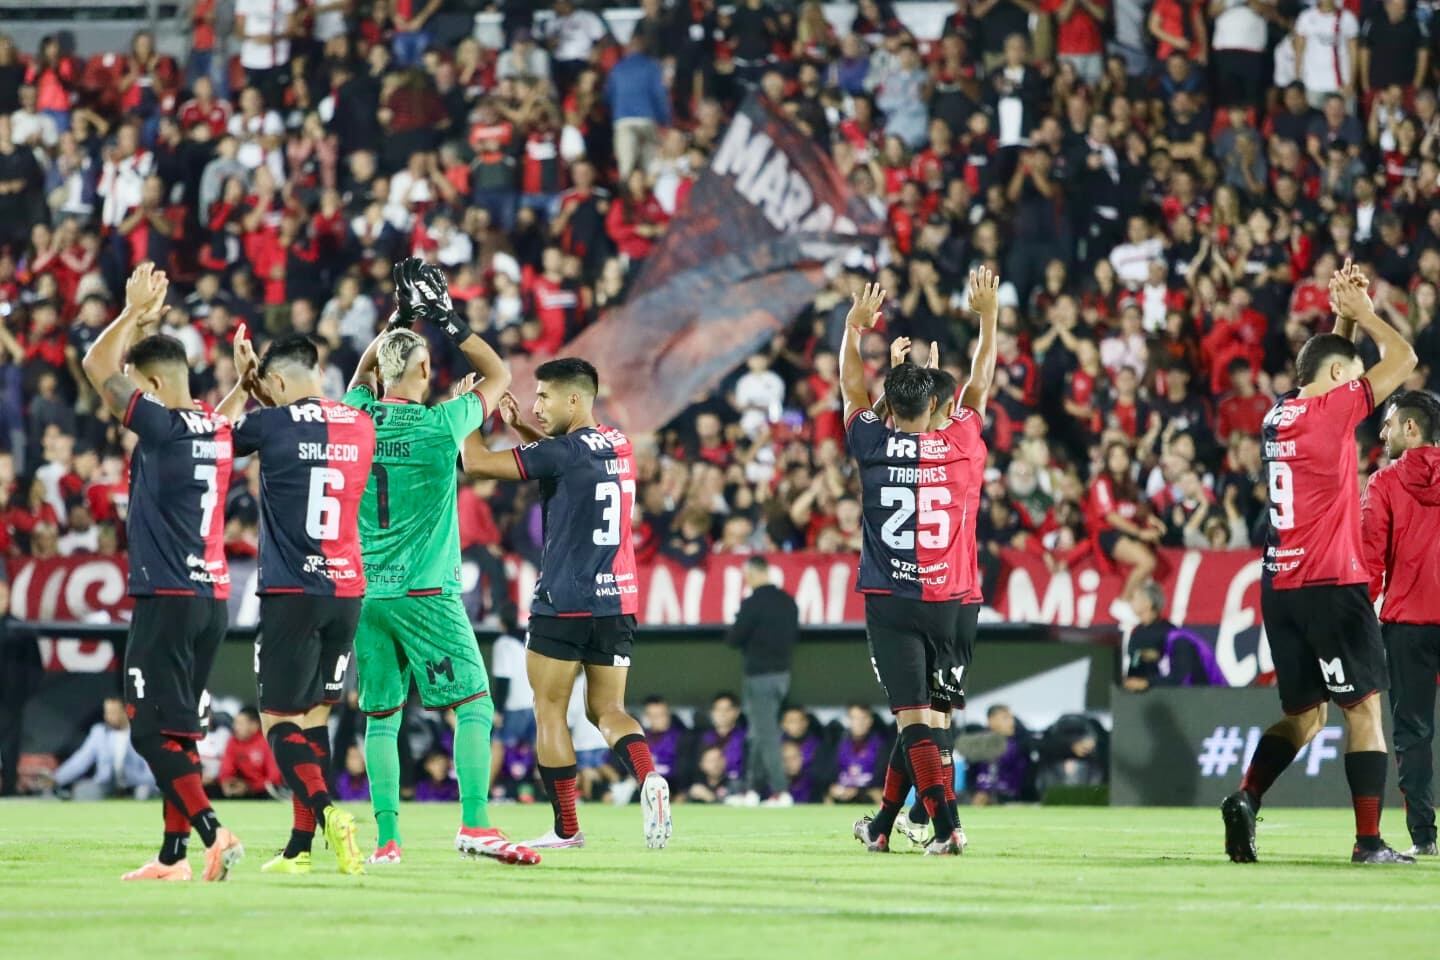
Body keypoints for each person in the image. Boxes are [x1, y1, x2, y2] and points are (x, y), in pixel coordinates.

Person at [338, 259, 537, 868]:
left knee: (381, 718)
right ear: (425, 370)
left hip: (367, 595)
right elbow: (499, 373)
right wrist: (446, 319)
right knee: (474, 703)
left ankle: (387, 842)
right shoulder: (442, 424)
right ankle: (474, 823)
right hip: (425, 592)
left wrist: (398, 321)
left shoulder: (357, 415)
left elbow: (362, 372)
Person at [1222, 261, 1417, 865]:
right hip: (1331, 582)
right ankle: (1368, 841)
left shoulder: (1279, 412)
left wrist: (1341, 320)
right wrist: (1365, 314)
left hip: (1280, 586)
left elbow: (1328, 365)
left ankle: (1247, 796)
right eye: (1353, 378)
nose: (1360, 391)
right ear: (1338, 380)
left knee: (1305, 718)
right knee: (1365, 710)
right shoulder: (1334, 410)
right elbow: (1405, 359)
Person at [81, 262, 248, 883]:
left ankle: (212, 831)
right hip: (212, 601)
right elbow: (222, 415)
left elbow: (95, 366)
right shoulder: (216, 428)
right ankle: (173, 858)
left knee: (149, 732)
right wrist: (243, 385)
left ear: (151, 385)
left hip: (168, 596)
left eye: (136, 386)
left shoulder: (161, 425)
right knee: (180, 732)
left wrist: (130, 313)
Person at [461, 358, 670, 850]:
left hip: (564, 601)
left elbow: (476, 463)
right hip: (617, 599)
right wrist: (522, 428)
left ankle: (567, 828)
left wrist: (471, 411)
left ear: (573, 399)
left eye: (544, 397)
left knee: (550, 711)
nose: (536, 405)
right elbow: (565, 456)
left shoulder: (561, 453)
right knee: (609, 710)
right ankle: (649, 777)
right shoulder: (618, 443)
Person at [844, 268, 998, 857]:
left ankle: (948, 826)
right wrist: (988, 317)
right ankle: (883, 826)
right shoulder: (963, 442)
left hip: (893, 601)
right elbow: (978, 384)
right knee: (932, 723)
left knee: (914, 722)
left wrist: (855, 330)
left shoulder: (871, 443)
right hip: (956, 600)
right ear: (937, 403)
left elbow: (851, 390)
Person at [230, 333, 376, 877]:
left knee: (276, 720)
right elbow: (310, 422)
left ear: (276, 381)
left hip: (292, 592)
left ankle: (328, 812)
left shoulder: (269, 423)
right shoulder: (360, 423)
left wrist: (243, 386)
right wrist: (266, 389)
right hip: (347, 592)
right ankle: (300, 847)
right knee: (315, 720)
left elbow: (214, 440)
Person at [1361, 389, 1440, 857]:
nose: (1382, 432)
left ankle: (1424, 838)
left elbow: (1371, 562)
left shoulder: (1384, 484)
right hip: (1410, 620)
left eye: (1388, 424)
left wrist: (1360, 621)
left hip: (1408, 624)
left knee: (1413, 734)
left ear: (1411, 428)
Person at [725, 555, 799, 805]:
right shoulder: (788, 601)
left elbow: (734, 638)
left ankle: (781, 791)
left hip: (759, 677)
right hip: (782, 676)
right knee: (758, 733)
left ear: (753, 574)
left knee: (766, 735)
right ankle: (752, 791)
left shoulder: (753, 602)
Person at [48, 696, 156, 800]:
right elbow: (80, 760)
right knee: (83, 790)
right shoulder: (99, 732)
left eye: (113, 712)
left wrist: (147, 783)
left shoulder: (142, 733)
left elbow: (151, 766)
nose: (108, 716)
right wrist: (56, 778)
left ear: (126, 712)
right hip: (105, 785)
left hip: (137, 785)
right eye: (107, 712)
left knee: (144, 792)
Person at [218, 707, 282, 798]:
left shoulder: (267, 742)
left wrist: (250, 787)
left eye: (240, 724)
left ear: (254, 725)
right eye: (235, 723)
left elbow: (275, 778)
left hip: (266, 793)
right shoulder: (233, 742)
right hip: (242, 790)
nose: (235, 727)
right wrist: (227, 783)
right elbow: (226, 770)